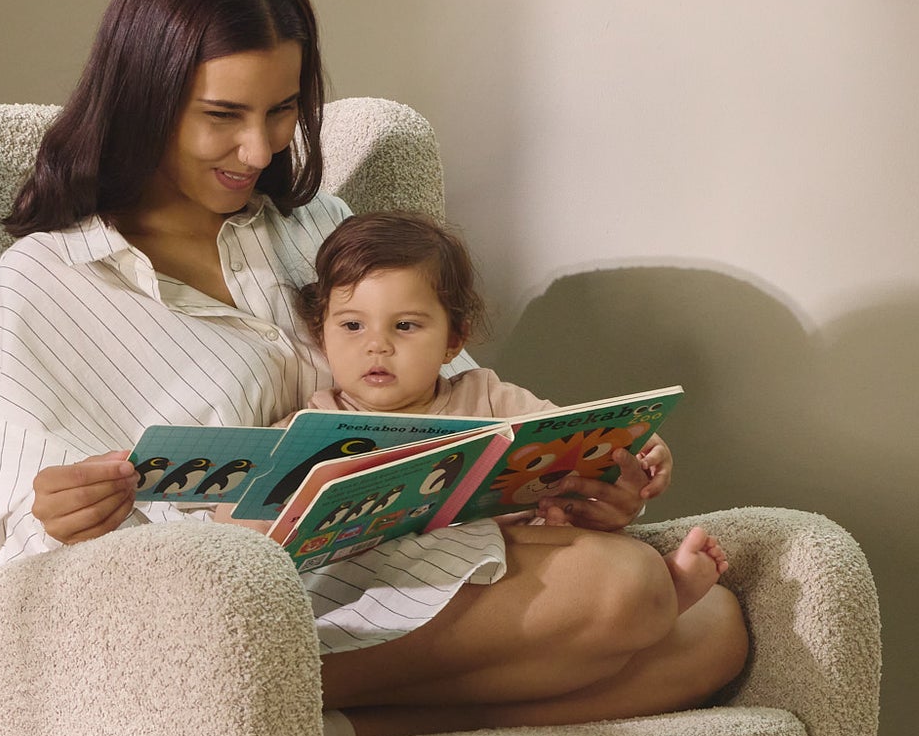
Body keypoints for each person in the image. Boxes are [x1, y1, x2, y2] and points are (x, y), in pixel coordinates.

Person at [0, 0, 747, 736]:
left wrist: (575, 484)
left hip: (399, 562)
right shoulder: (46, 281)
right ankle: (261, 702)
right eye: (222, 117)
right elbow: (3, 554)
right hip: (217, 615)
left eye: (281, 111)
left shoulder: (318, 229)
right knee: (630, 595)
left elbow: (456, 410)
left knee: (714, 628)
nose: (259, 150)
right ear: (144, 98)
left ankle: (341, 730)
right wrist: (59, 516)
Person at [292, 209, 730, 615]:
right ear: (321, 332)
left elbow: (582, 435)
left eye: (405, 325)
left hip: (522, 568)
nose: (377, 345)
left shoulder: (488, 396)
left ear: (453, 340)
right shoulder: (315, 425)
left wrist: (641, 448)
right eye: (352, 325)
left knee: (569, 537)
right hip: (414, 590)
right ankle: (659, 598)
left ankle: (659, 596)